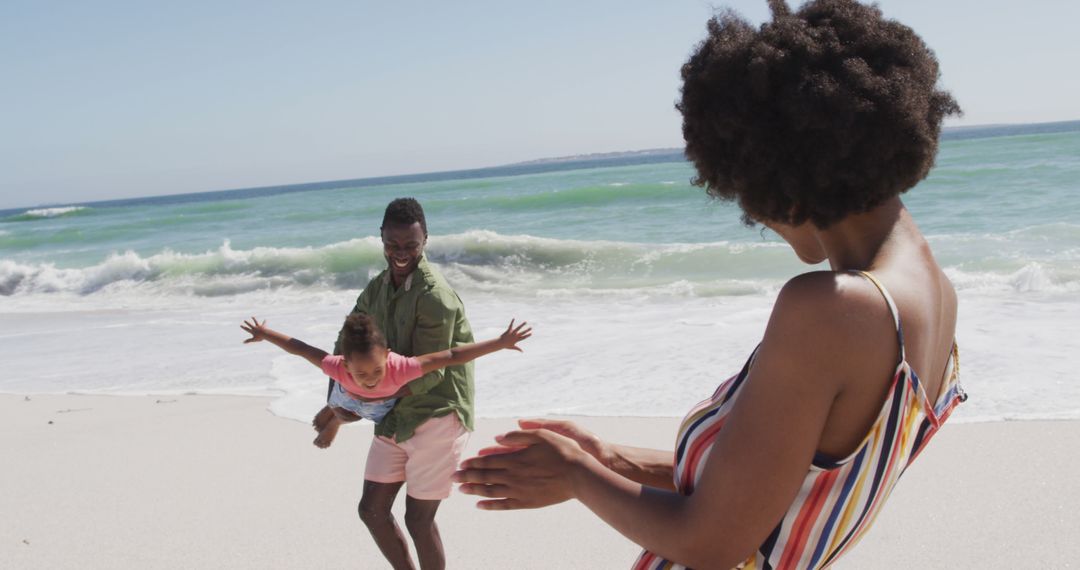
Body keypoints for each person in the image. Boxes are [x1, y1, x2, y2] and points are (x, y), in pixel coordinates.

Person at [452, 1, 967, 568]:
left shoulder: (832, 309)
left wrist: (576, 476)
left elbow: (711, 542)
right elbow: (772, 490)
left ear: (780, 175)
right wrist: (609, 459)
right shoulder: (935, 296)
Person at [331, 197, 476, 570]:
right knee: (372, 510)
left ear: (425, 239)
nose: (400, 253)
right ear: (381, 238)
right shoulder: (376, 289)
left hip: (437, 413)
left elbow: (432, 374)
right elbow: (344, 345)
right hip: (393, 413)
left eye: (410, 245)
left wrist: (362, 398)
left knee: (418, 519)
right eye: (393, 244)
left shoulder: (435, 297)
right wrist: (336, 400)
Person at [239, 314, 530, 447]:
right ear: (346, 362)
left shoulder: (400, 368)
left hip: (381, 406)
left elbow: (452, 355)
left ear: (387, 357)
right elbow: (302, 349)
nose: (370, 378)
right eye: (361, 372)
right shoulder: (337, 366)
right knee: (339, 402)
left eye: (377, 370)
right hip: (345, 393)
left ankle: (338, 420)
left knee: (354, 417)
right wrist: (266, 334)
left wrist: (499, 343)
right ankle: (333, 413)